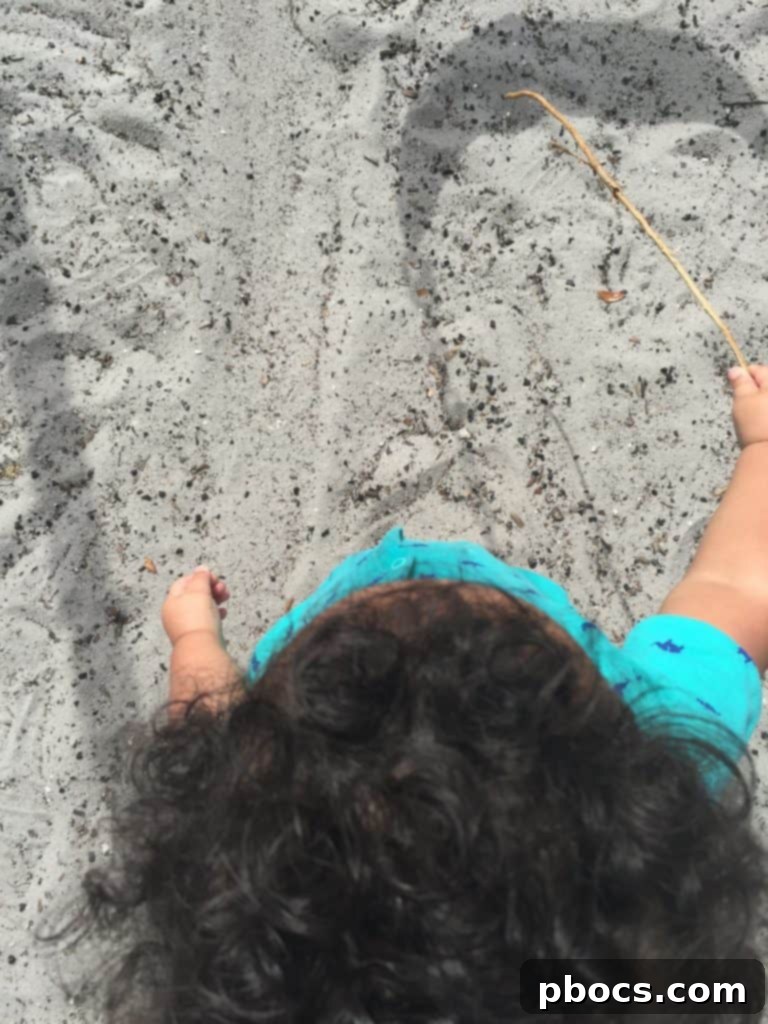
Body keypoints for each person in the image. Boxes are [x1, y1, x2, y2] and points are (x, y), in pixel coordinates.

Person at [61, 365, 768, 1023]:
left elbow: (210, 723)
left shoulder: (226, 845)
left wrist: (195, 644)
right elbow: (734, 589)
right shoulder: (668, 754)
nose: (419, 565)